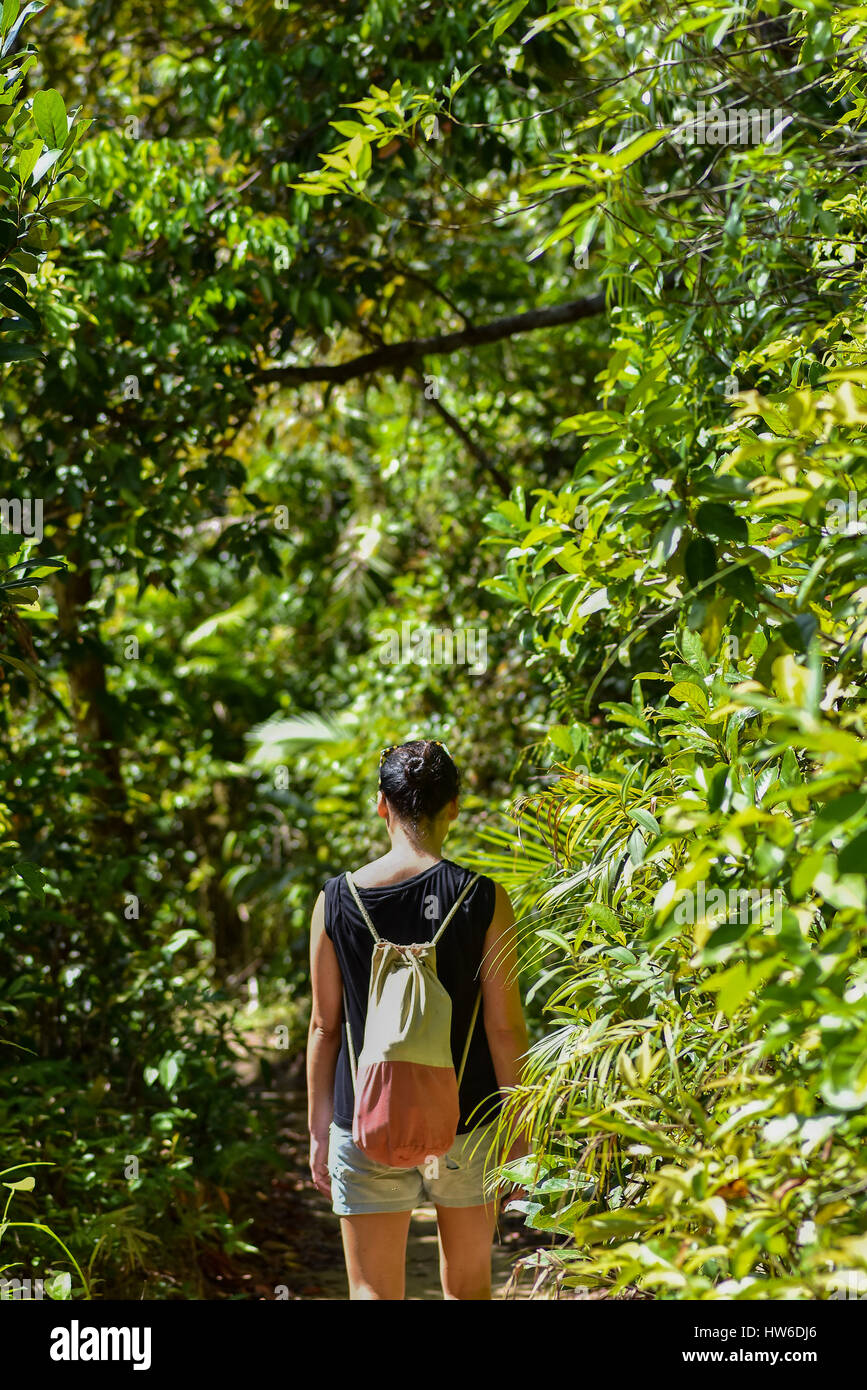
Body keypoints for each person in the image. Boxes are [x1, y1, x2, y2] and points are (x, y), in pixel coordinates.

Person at [306, 738, 530, 1300]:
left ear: (382, 804)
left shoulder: (336, 900)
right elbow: (504, 1029)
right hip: (469, 1120)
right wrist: (521, 1130)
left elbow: (324, 1028)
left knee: (373, 1292)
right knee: (470, 1288)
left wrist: (317, 1130)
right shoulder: (483, 899)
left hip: (364, 1116)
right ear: (454, 806)